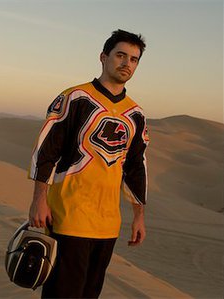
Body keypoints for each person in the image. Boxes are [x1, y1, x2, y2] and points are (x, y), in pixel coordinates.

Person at [28, 29, 149, 299]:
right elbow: (46, 150)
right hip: (69, 216)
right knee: (63, 292)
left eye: (133, 59)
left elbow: (136, 167)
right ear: (103, 57)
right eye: (120, 55)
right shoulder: (75, 97)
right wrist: (39, 199)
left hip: (107, 223)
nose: (126, 63)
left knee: (89, 294)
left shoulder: (136, 113)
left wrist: (138, 215)